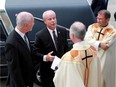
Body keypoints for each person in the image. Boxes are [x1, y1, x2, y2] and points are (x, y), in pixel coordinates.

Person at [53, 21, 102, 87]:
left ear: (72, 35)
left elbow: (60, 79)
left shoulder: (69, 57)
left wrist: (57, 70)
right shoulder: (94, 51)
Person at [33, 10, 69, 87]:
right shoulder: (40, 35)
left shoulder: (62, 31)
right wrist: (46, 57)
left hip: (62, 69)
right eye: (50, 19)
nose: (53, 21)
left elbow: (66, 48)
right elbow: (35, 53)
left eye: (54, 18)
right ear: (45, 21)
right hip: (47, 72)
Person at [84, 10, 116, 87]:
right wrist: (99, 44)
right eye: (97, 18)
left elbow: (106, 46)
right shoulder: (92, 27)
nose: (98, 20)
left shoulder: (113, 32)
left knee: (102, 81)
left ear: (107, 19)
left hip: (104, 61)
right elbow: (86, 39)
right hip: (91, 59)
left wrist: (93, 43)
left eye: (101, 19)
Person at [5, 11, 35, 87]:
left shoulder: (24, 33)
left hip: (28, 80)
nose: (34, 24)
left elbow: (28, 53)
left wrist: (45, 57)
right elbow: (14, 69)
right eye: (32, 22)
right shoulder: (11, 43)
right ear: (26, 25)